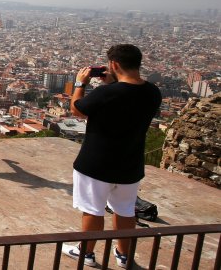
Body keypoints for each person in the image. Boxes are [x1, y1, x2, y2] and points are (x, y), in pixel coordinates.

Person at [61, 44, 162, 268]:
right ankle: (124, 256)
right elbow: (127, 100)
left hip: (96, 163)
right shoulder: (153, 92)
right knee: (125, 211)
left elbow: (77, 109)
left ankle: (85, 253)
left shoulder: (107, 93)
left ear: (114, 65)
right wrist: (113, 82)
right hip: (130, 164)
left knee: (93, 210)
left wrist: (80, 83)